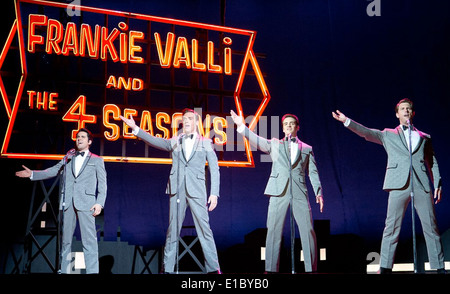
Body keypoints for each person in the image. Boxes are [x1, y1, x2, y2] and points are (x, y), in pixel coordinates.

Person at [332, 98, 445, 274]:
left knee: (431, 226)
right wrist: (347, 121)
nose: (406, 111)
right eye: (402, 109)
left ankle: (439, 267)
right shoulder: (388, 134)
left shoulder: (424, 137)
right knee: (391, 226)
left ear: (413, 113)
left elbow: (432, 161)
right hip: (398, 184)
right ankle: (385, 266)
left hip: (421, 183)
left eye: (409, 108)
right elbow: (366, 133)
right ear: (397, 114)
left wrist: (437, 182)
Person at [120, 108, 221, 274]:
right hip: (177, 189)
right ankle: (167, 268)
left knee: (205, 229)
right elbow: (155, 141)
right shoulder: (176, 140)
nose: (186, 121)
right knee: (172, 230)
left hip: (197, 190)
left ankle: (213, 268)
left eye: (190, 118)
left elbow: (215, 169)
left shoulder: (205, 142)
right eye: (184, 119)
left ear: (196, 122)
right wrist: (136, 128)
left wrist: (214, 193)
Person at [230, 110, 324, 273]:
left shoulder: (307, 148)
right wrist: (241, 126)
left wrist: (319, 192)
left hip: (300, 191)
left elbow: (313, 172)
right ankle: (271, 269)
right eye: (285, 124)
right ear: (283, 128)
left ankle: (311, 269)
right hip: (278, 191)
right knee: (273, 230)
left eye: (291, 123)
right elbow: (257, 141)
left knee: (307, 230)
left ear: (297, 127)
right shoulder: (275, 144)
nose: (288, 126)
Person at [15, 128, 107, 274]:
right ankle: (64, 271)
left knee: (89, 241)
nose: (79, 139)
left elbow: (103, 184)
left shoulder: (97, 160)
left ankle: (92, 272)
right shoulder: (68, 157)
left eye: (83, 137)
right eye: (77, 137)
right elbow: (53, 170)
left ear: (89, 141)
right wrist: (33, 174)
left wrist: (99, 203)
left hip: (86, 202)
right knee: (65, 241)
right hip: (68, 201)